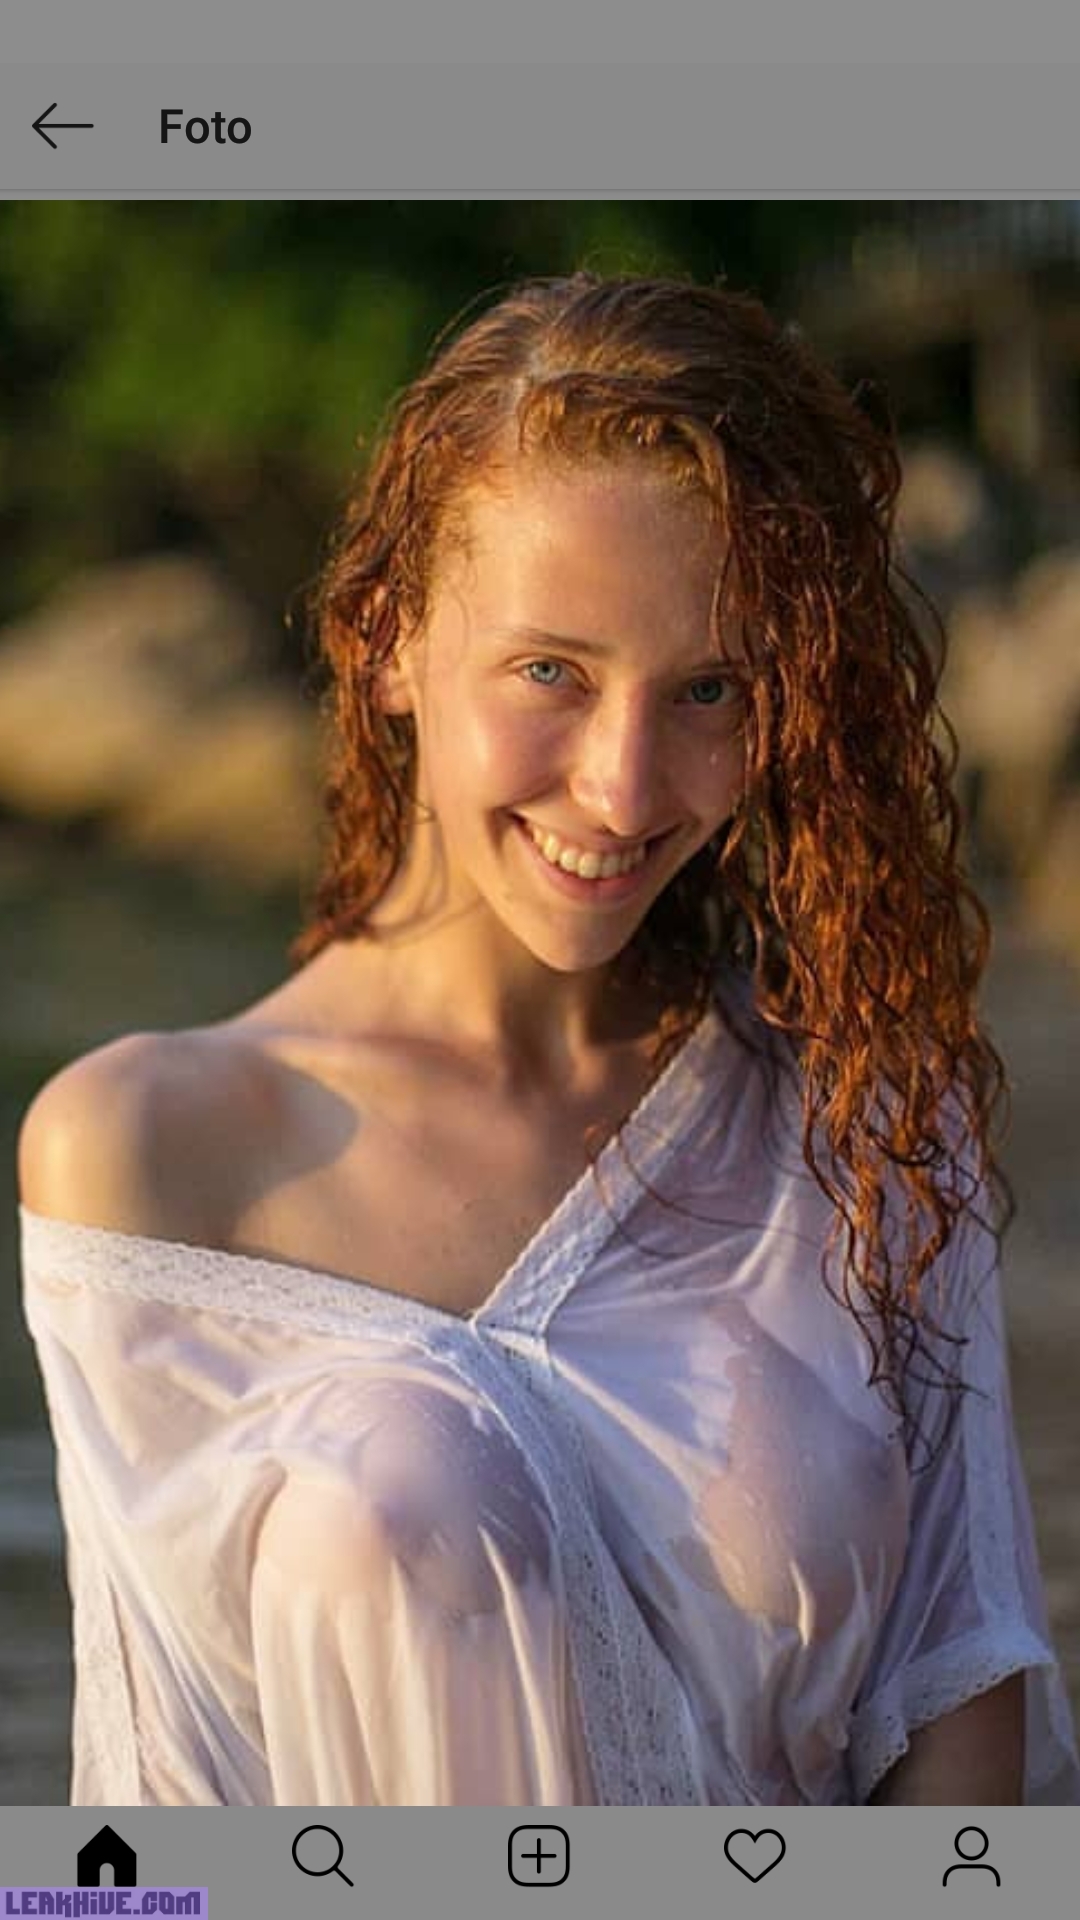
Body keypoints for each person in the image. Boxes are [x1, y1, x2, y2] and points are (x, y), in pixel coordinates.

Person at [17, 271, 1080, 1808]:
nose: (626, 787)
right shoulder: (147, 1150)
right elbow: (161, 1791)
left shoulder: (866, 1116)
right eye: (551, 674)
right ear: (387, 638)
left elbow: (961, 1683)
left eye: (710, 688)